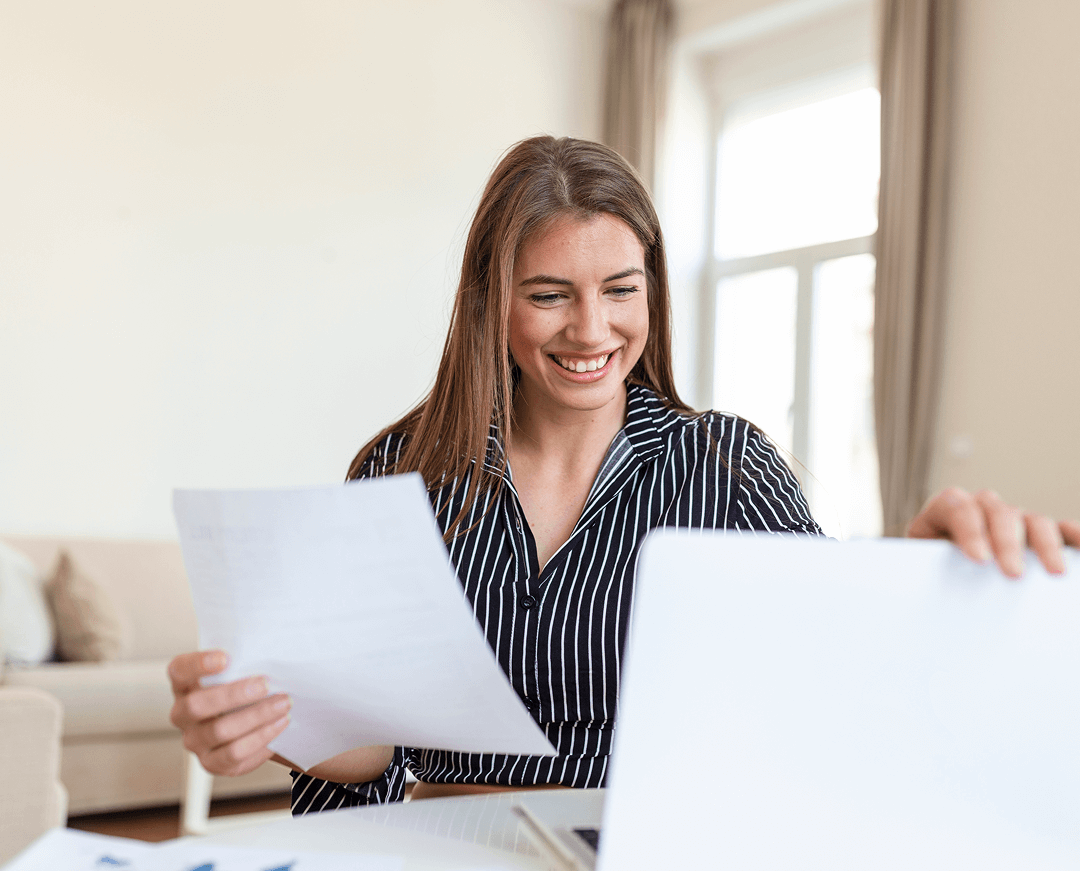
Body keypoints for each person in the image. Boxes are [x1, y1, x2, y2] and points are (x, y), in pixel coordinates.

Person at [168, 136, 1080, 815]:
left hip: (642, 845)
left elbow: (834, 673)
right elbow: (372, 744)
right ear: (493, 300)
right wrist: (275, 725)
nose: (591, 330)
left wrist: (918, 580)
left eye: (620, 288)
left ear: (653, 290)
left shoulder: (723, 466)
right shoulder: (399, 470)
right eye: (549, 294)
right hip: (433, 840)